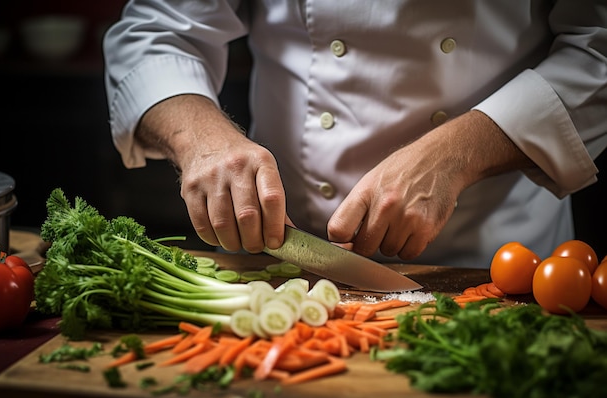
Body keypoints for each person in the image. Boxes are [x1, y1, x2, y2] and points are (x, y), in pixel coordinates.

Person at [103, 1, 607, 268]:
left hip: (499, 256)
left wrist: (457, 154)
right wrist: (204, 141)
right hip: (275, 250)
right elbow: (157, 30)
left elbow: (598, 48)